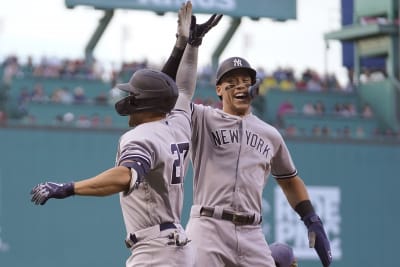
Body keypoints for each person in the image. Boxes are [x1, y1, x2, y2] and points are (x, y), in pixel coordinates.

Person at [29, 2, 220, 266]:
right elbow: (182, 90)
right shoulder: (177, 124)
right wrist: (188, 46)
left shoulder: (140, 137)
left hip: (155, 251)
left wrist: (68, 188)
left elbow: (124, 175)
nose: (128, 98)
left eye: (133, 94)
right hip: (173, 245)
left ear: (144, 103)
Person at [171, 40, 332, 266]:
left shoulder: (270, 134)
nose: (240, 86)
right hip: (208, 226)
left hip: (252, 231)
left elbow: (289, 180)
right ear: (218, 88)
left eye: (246, 82)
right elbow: (181, 92)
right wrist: (191, 47)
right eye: (232, 81)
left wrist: (311, 219)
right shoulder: (202, 118)